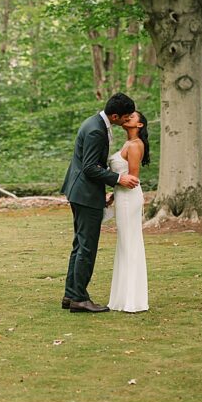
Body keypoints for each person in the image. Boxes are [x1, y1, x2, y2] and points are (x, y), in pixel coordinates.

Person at [61, 93, 140, 313]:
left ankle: (70, 294)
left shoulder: (94, 122)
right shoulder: (96, 130)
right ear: (115, 115)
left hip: (79, 192)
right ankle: (79, 298)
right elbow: (90, 167)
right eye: (125, 118)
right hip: (85, 195)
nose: (126, 121)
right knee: (86, 247)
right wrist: (118, 179)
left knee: (79, 245)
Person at [107, 110, 150, 313]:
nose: (127, 118)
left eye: (132, 117)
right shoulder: (126, 143)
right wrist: (113, 195)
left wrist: (116, 190)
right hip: (121, 196)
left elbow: (131, 179)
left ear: (139, 126)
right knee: (125, 244)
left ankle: (133, 299)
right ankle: (122, 297)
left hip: (129, 198)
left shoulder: (134, 146)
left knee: (130, 243)